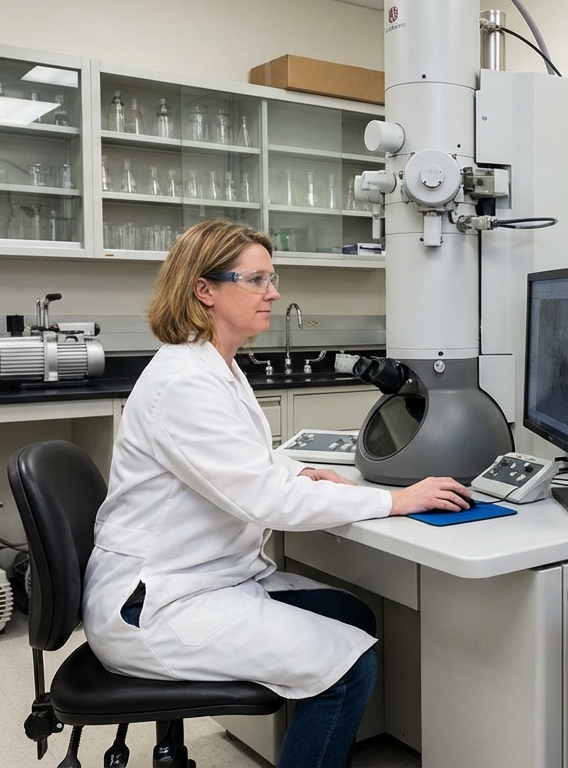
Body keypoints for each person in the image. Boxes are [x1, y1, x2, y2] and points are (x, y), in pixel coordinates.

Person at [82, 219, 471, 768]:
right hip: (158, 602)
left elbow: (249, 460)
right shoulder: (185, 382)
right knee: (349, 667)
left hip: (207, 575)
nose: (274, 292)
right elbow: (266, 501)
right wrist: (396, 500)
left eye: (273, 277)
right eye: (258, 279)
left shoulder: (216, 366)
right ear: (205, 290)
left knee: (351, 616)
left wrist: (299, 468)